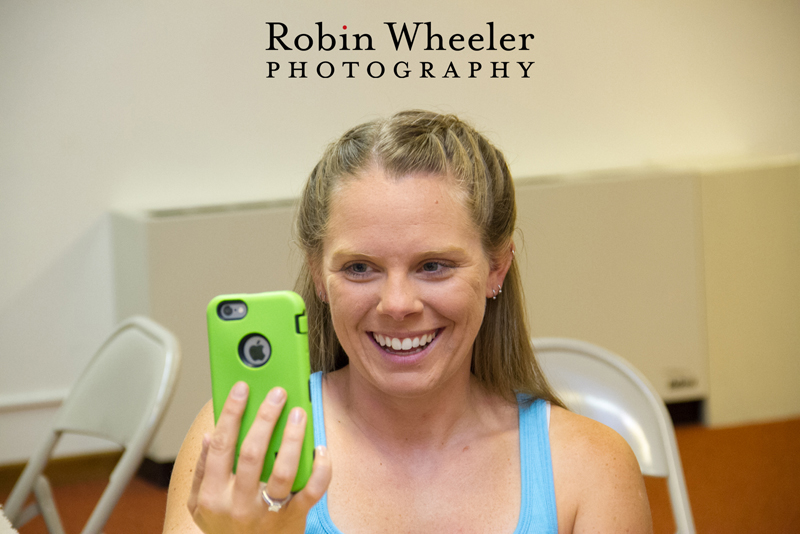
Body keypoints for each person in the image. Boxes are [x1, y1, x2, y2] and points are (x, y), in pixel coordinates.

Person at [162, 110, 653, 533]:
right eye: (359, 268)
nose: (397, 304)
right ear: (318, 275)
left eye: (433, 265)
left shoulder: (590, 467)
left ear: (496, 268)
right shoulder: (241, 444)